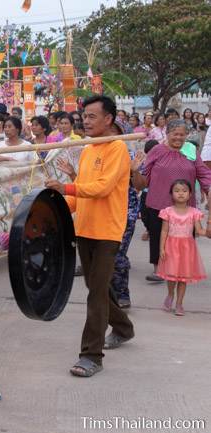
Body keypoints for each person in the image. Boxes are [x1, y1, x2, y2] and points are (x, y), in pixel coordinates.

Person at [45, 95, 135, 377]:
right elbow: (82, 193)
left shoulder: (118, 148)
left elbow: (103, 187)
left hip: (107, 231)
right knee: (98, 288)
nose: (85, 120)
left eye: (92, 116)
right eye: (84, 116)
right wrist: (55, 207)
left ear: (108, 119)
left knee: (96, 293)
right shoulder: (88, 149)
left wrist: (67, 189)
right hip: (84, 228)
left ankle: (91, 355)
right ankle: (123, 327)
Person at [131, 119, 211, 282]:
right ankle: (159, 269)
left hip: (184, 206)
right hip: (158, 204)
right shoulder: (156, 150)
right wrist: (135, 172)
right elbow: (144, 178)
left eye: (182, 135)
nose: (178, 138)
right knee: (158, 235)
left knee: (184, 238)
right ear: (167, 134)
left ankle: (180, 270)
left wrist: (208, 188)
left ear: (186, 135)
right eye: (175, 134)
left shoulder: (191, 150)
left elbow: (203, 173)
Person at [156, 179, 206, 316]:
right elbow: (164, 231)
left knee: (183, 278)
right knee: (171, 277)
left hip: (187, 249)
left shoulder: (194, 212)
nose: (181, 194)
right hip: (171, 247)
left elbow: (200, 231)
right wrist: (161, 248)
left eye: (184, 191)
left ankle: (179, 303)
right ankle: (170, 294)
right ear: (171, 194)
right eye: (177, 191)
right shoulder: (167, 212)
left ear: (190, 194)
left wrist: (207, 232)